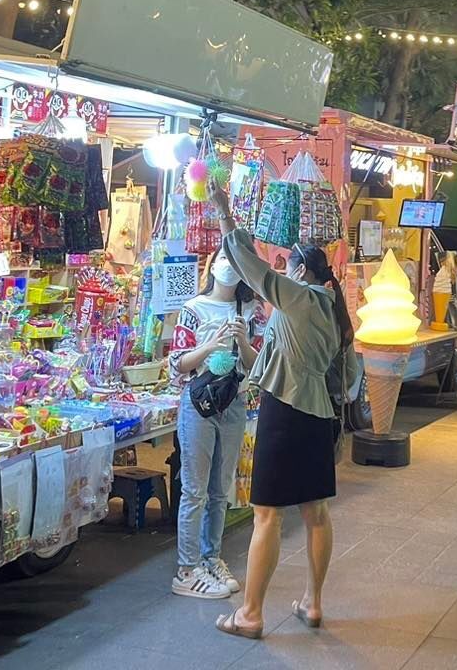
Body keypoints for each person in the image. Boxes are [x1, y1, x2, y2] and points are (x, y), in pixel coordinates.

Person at [207, 186, 362, 640]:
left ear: (300, 271)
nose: (282, 268)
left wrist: (224, 213)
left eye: (287, 264)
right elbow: (347, 376)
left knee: (267, 515)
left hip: (286, 413)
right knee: (315, 513)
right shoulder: (335, 312)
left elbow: (252, 270)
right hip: (318, 417)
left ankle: (251, 614)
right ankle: (313, 603)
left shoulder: (300, 298)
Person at [167, 249, 263, 599]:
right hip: (197, 406)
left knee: (220, 489)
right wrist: (210, 346)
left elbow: (259, 364)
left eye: (235, 260)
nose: (228, 266)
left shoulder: (252, 311)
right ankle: (187, 568)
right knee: (194, 489)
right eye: (223, 257)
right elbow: (177, 363)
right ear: (211, 264)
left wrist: (241, 341)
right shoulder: (193, 309)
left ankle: (212, 558)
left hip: (234, 403)